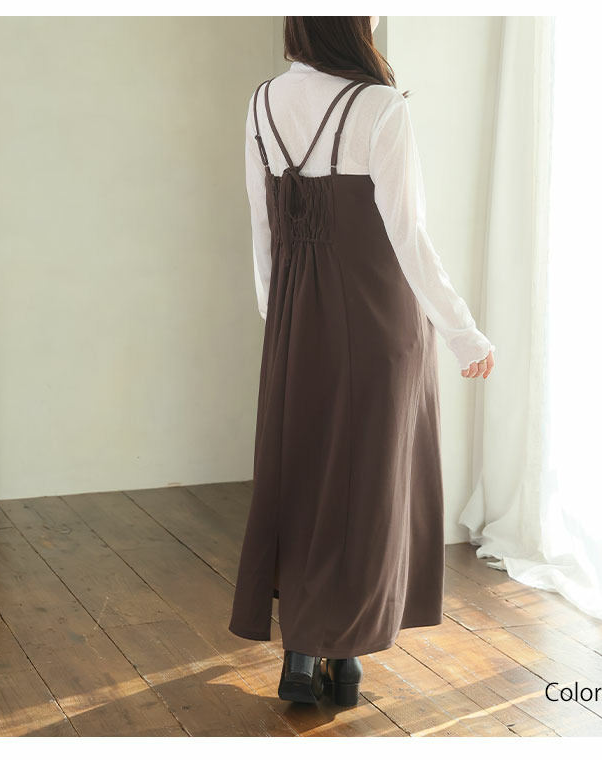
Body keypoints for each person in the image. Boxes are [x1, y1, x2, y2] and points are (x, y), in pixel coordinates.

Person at [229, 16, 495, 708]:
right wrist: (464, 333)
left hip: (297, 316)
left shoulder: (262, 102)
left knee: (305, 475)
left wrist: (280, 319)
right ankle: (344, 659)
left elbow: (262, 227)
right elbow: (409, 236)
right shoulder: (380, 106)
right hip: (379, 322)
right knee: (369, 484)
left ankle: (302, 650)